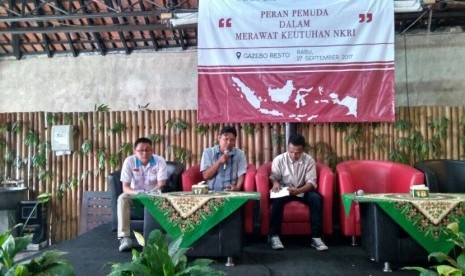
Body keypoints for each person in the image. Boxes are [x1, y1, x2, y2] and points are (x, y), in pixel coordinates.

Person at [268, 133, 328, 251]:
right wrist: (275, 183)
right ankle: (274, 236)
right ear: (287, 148)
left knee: (316, 199)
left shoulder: (309, 160)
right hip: (285, 189)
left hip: (302, 189)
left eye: (297, 152)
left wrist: (299, 190)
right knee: (276, 201)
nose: (294, 155)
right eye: (291, 151)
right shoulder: (279, 159)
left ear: (303, 150)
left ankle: (316, 237)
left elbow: (311, 183)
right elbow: (273, 176)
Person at [117, 137, 168, 252]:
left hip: (154, 194)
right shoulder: (129, 161)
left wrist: (150, 193)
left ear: (152, 150)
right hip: (135, 195)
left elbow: (161, 184)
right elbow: (125, 187)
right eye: (141, 150)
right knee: (122, 198)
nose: (145, 153)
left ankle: (156, 239)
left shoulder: (160, 161)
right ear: (135, 151)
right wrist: (137, 193)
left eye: (148, 150)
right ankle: (124, 237)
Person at [200, 125, 247, 191]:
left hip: (231, 192)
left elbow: (241, 173)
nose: (229, 143)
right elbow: (206, 176)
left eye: (232, 140)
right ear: (219, 138)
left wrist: (238, 187)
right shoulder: (208, 152)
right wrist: (219, 161)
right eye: (226, 139)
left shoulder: (240, 154)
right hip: (212, 192)